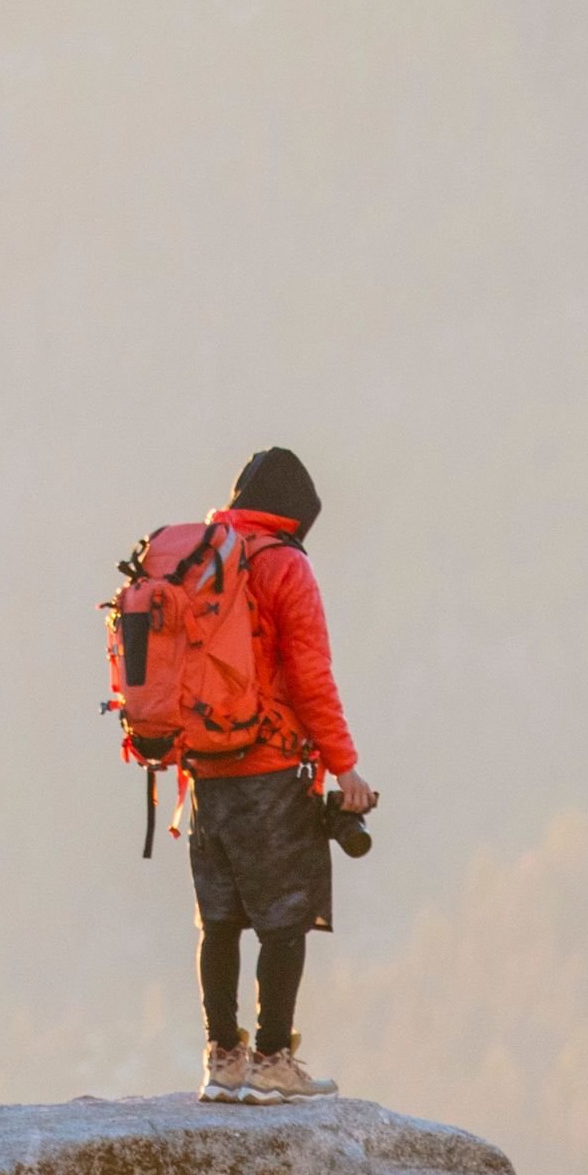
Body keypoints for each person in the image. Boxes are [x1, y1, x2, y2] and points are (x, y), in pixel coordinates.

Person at [190, 446, 377, 1104]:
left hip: (204, 769)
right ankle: (272, 1060)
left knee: (218, 920)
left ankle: (224, 1059)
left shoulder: (203, 558)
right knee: (283, 920)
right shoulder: (283, 566)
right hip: (270, 769)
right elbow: (310, 677)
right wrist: (344, 767)